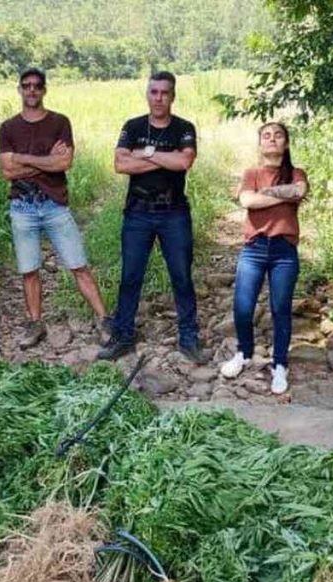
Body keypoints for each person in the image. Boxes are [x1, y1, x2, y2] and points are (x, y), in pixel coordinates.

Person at [97, 71, 208, 364]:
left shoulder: (184, 127)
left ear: (173, 96)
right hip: (138, 212)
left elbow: (184, 161)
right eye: (154, 92)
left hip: (174, 212)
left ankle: (188, 338)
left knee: (182, 276)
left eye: (165, 93)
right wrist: (163, 156)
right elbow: (120, 164)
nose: (159, 98)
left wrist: (144, 155)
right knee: (130, 276)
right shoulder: (133, 126)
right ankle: (123, 335)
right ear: (147, 94)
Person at [0, 68, 111, 349]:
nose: (32, 90)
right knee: (28, 269)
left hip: (54, 204)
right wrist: (44, 159)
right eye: (27, 86)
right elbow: (6, 171)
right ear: (20, 89)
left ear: (44, 89)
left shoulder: (59, 122)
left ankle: (104, 319)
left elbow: (63, 164)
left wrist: (23, 159)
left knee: (78, 264)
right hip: (22, 206)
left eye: (37, 86)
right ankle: (35, 323)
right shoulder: (8, 127)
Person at [219, 122, 308, 394]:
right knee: (243, 307)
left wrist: (265, 193)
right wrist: (282, 194)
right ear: (260, 144)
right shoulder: (252, 173)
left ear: (286, 143)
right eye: (266, 136)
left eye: (278, 135)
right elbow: (247, 201)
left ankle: (280, 364)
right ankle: (244, 353)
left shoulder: (296, 172)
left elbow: (299, 191)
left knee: (280, 309)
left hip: (284, 250)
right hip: (254, 248)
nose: (272, 139)